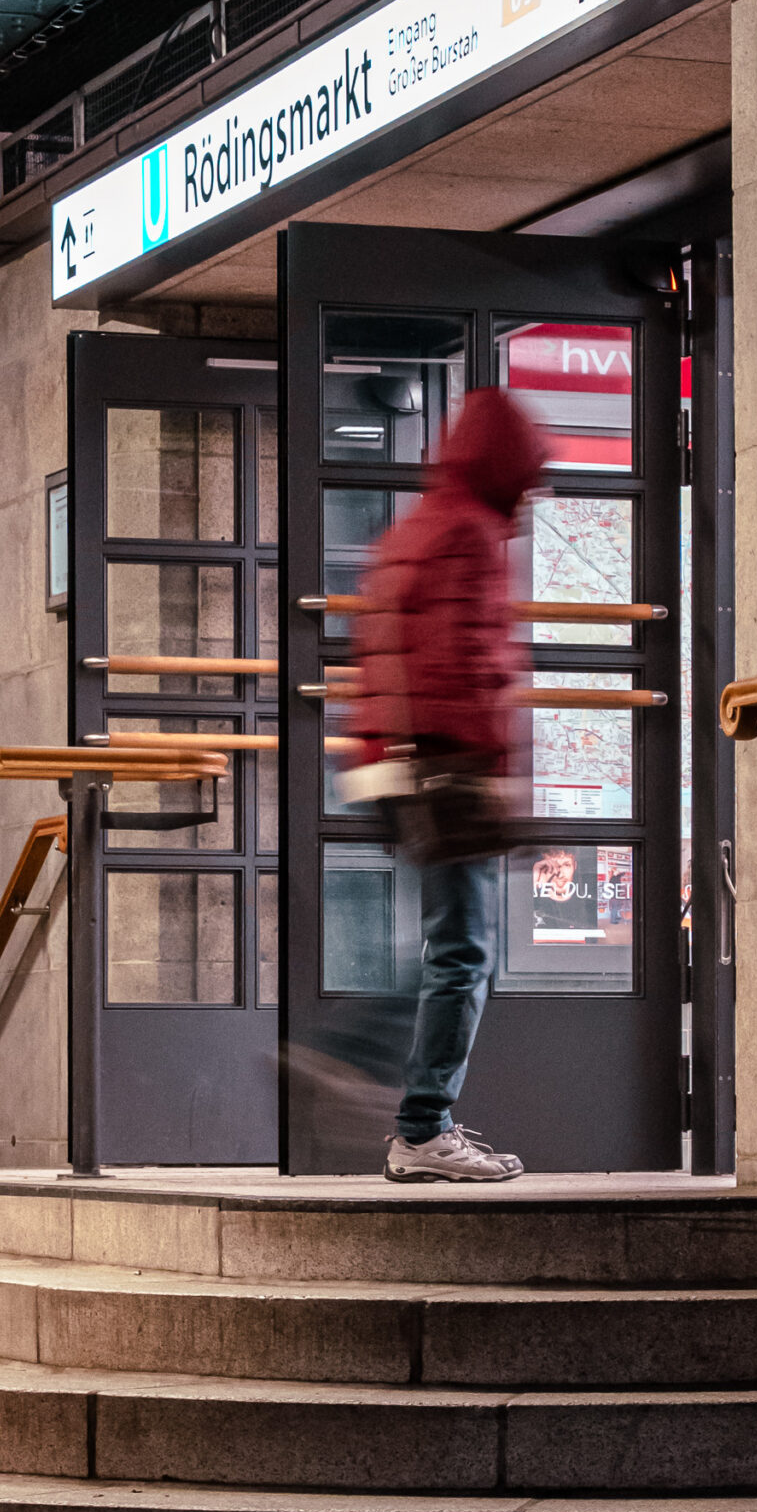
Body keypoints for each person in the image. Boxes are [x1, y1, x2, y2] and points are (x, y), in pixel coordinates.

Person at [343, 387, 547, 1181]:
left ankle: (369, 1071)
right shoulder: (469, 531)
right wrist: (496, 769)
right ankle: (419, 1125)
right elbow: (472, 660)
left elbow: (384, 647)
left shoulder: (416, 524)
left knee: (447, 943)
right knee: (464, 952)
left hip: (394, 762)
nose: (533, 491)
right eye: (529, 473)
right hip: (447, 763)